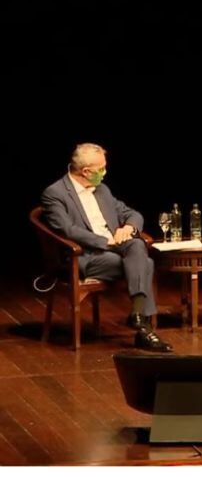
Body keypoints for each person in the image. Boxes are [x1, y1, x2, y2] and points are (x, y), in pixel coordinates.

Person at [41, 143, 172, 352]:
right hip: (85, 255)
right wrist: (105, 242)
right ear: (86, 171)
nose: (105, 172)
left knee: (137, 242)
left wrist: (128, 228)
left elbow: (132, 213)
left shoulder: (102, 190)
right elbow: (68, 230)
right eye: (101, 169)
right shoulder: (55, 193)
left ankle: (137, 316)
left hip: (116, 246)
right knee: (144, 264)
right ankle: (144, 330)